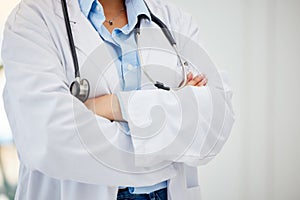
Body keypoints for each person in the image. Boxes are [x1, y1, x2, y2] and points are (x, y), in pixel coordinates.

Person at [1, 0, 234, 199]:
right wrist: (173, 127)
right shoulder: (32, 20)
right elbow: (49, 137)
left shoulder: (172, 18)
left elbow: (216, 117)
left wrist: (113, 106)